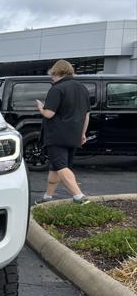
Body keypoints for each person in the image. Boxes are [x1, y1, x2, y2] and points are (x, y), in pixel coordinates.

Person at [35, 60, 90, 205]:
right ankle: (47, 197)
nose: (51, 78)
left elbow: (49, 114)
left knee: (61, 166)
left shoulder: (57, 89)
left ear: (55, 72)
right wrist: (82, 134)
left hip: (57, 135)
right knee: (56, 167)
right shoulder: (82, 88)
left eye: (52, 75)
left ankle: (79, 196)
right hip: (74, 135)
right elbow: (86, 115)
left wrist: (40, 107)